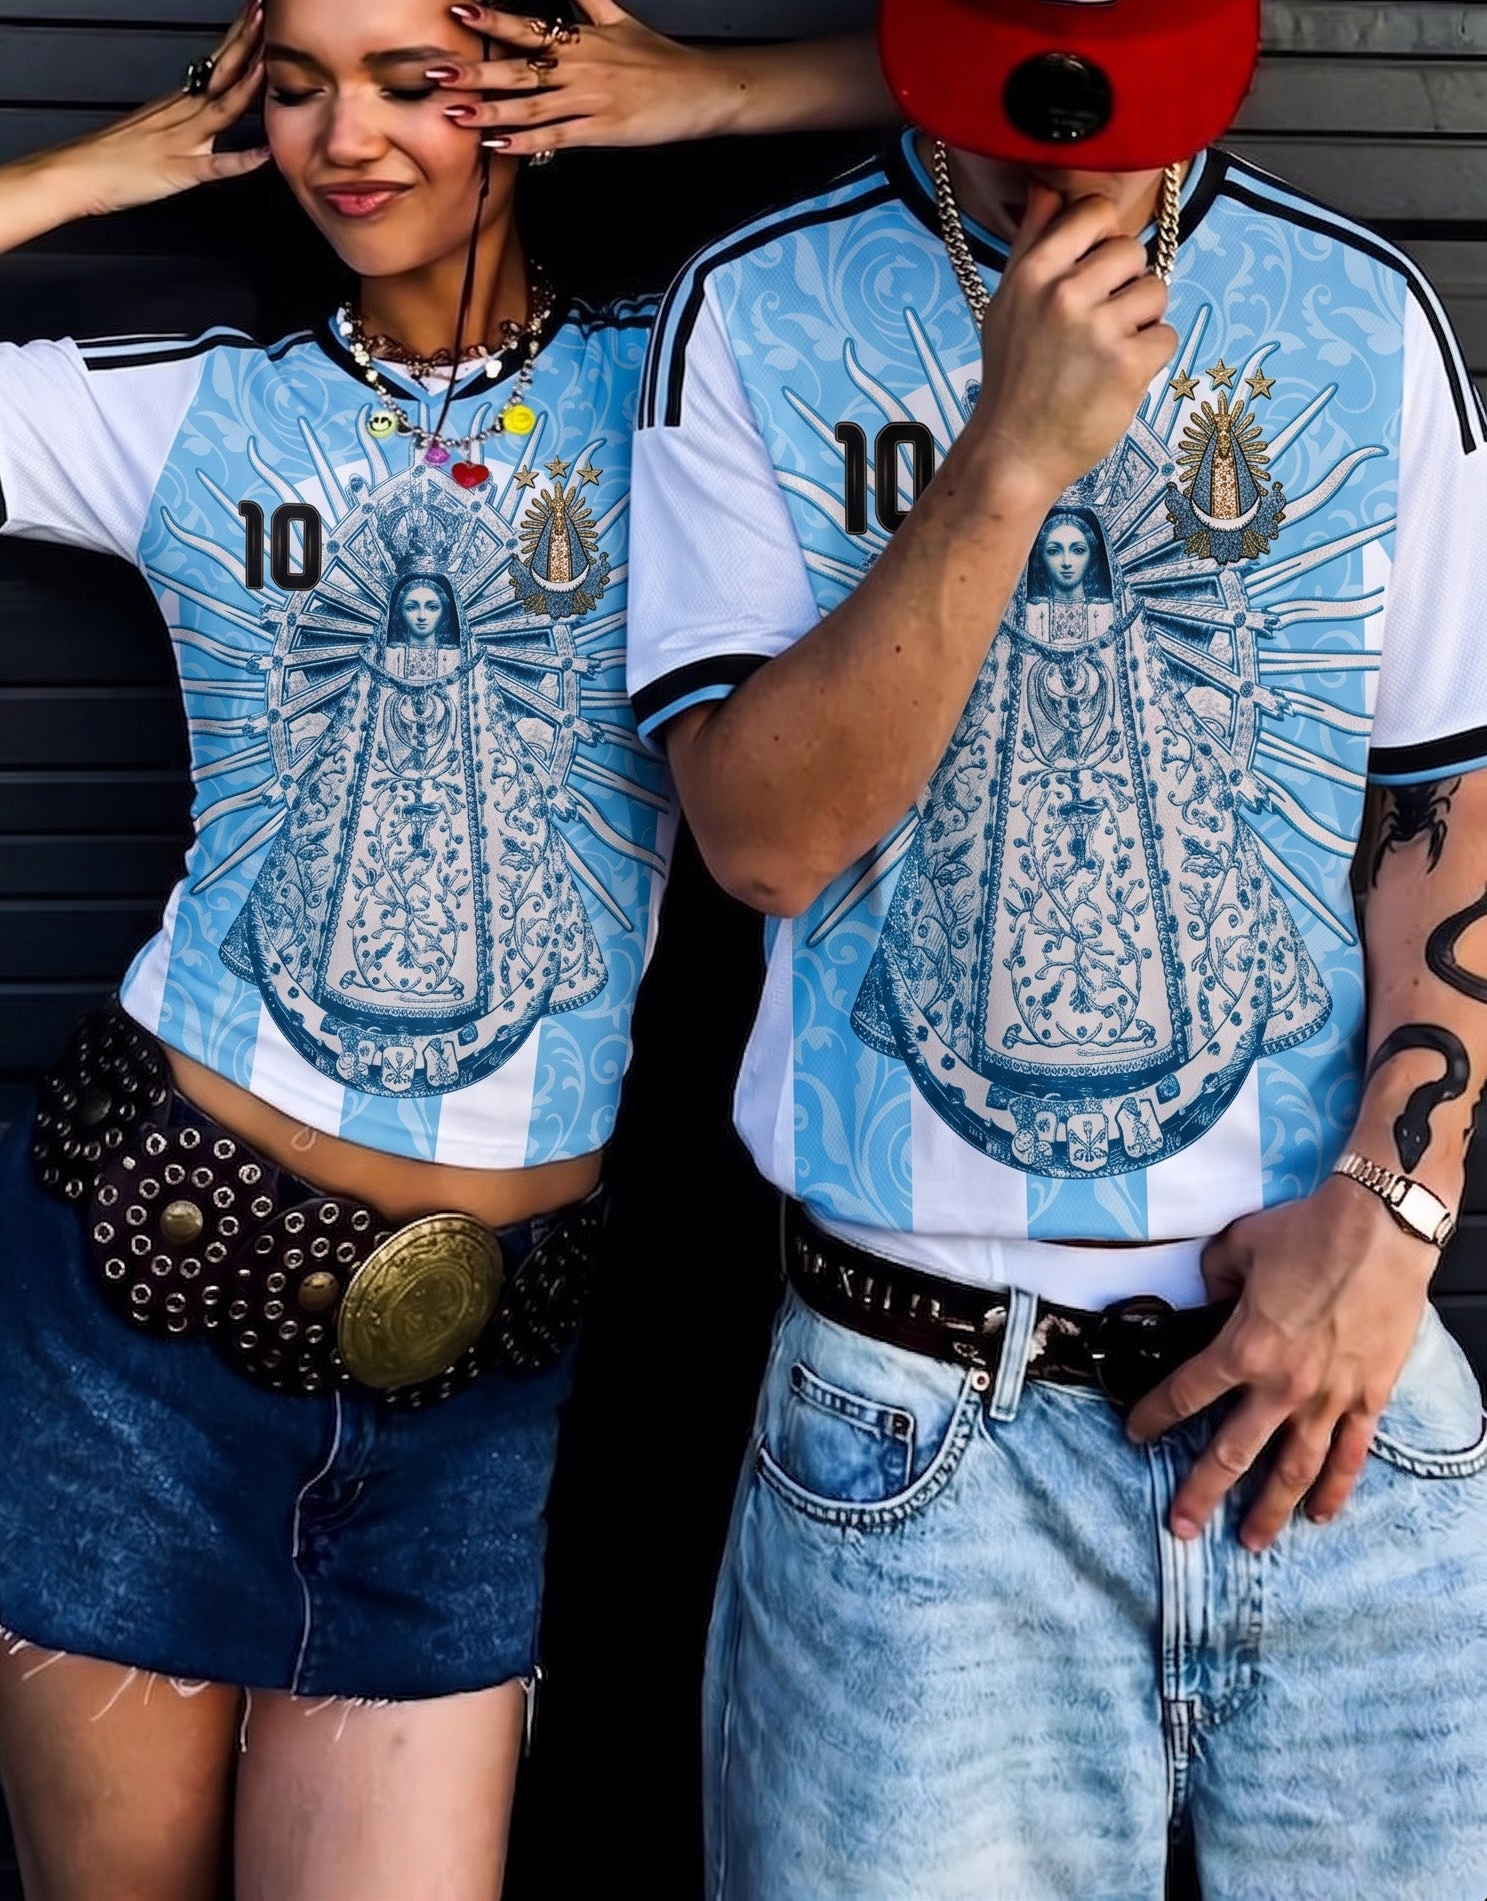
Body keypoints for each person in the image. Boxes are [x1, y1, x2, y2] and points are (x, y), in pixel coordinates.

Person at [0, 5, 894, 1897]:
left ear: (525, 91)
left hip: (478, 1386)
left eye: (415, 78)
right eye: (298, 86)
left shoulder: (698, 386)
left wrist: (719, 90)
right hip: (124, 1322)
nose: (347, 136)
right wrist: (102, 167)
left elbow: (1050, 113)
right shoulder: (185, 403)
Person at [626, 0, 1487, 1892]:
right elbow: (761, 839)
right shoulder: (758, 314)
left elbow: (1443, 814)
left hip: (1338, 1394)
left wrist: (1394, 1215)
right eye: (1014, 112)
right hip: (922, 1432)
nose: (1073, 167)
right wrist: (1006, 462)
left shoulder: (1363, 316)